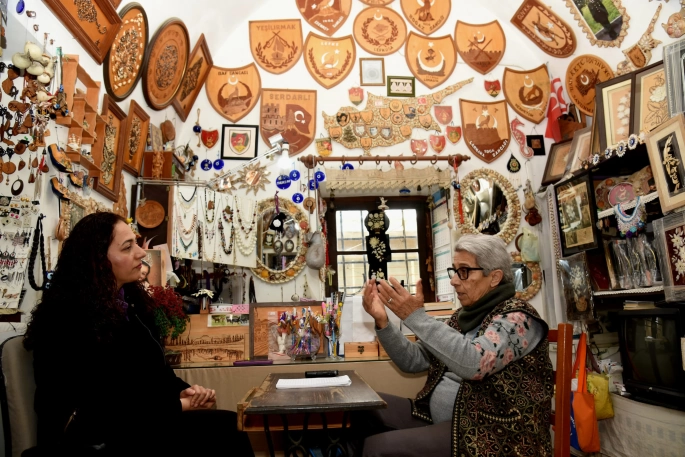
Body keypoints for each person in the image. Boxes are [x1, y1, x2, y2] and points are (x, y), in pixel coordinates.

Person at [23, 212, 254, 457]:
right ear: (98, 259)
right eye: (127, 247)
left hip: (137, 426)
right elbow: (102, 404)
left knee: (229, 426)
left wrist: (185, 392)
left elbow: (155, 374)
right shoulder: (66, 318)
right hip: (91, 439)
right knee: (223, 433)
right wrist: (176, 405)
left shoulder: (129, 305)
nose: (142, 253)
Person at [354, 233, 553, 457]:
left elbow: (474, 363)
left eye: (464, 271)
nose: (454, 280)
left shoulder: (518, 318)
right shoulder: (463, 316)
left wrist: (415, 317)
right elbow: (413, 360)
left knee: (378, 449)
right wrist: (383, 321)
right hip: (449, 419)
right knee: (362, 407)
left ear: (495, 277)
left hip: (491, 432)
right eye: (454, 271)